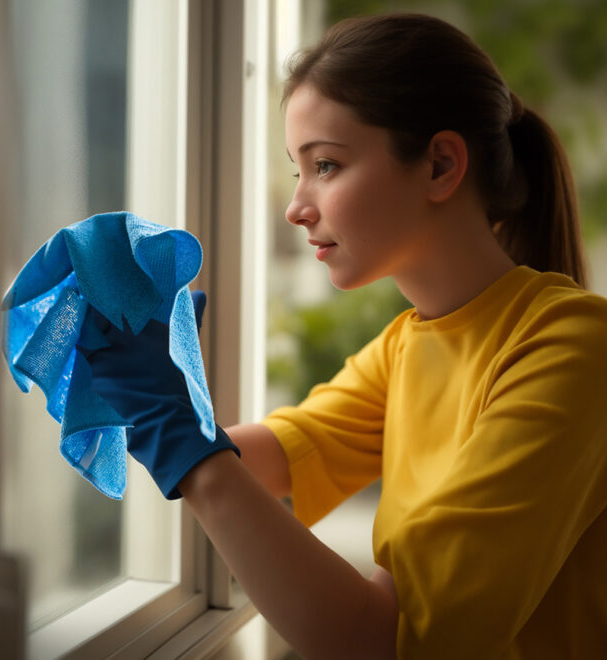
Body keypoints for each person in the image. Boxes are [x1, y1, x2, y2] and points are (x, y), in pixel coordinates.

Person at [83, 12, 607, 658]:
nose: (296, 205)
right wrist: (155, 397)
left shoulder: (574, 349)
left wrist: (182, 442)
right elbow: (275, 459)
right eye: (297, 169)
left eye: (325, 165)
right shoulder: (405, 346)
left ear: (441, 165)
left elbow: (385, 638)